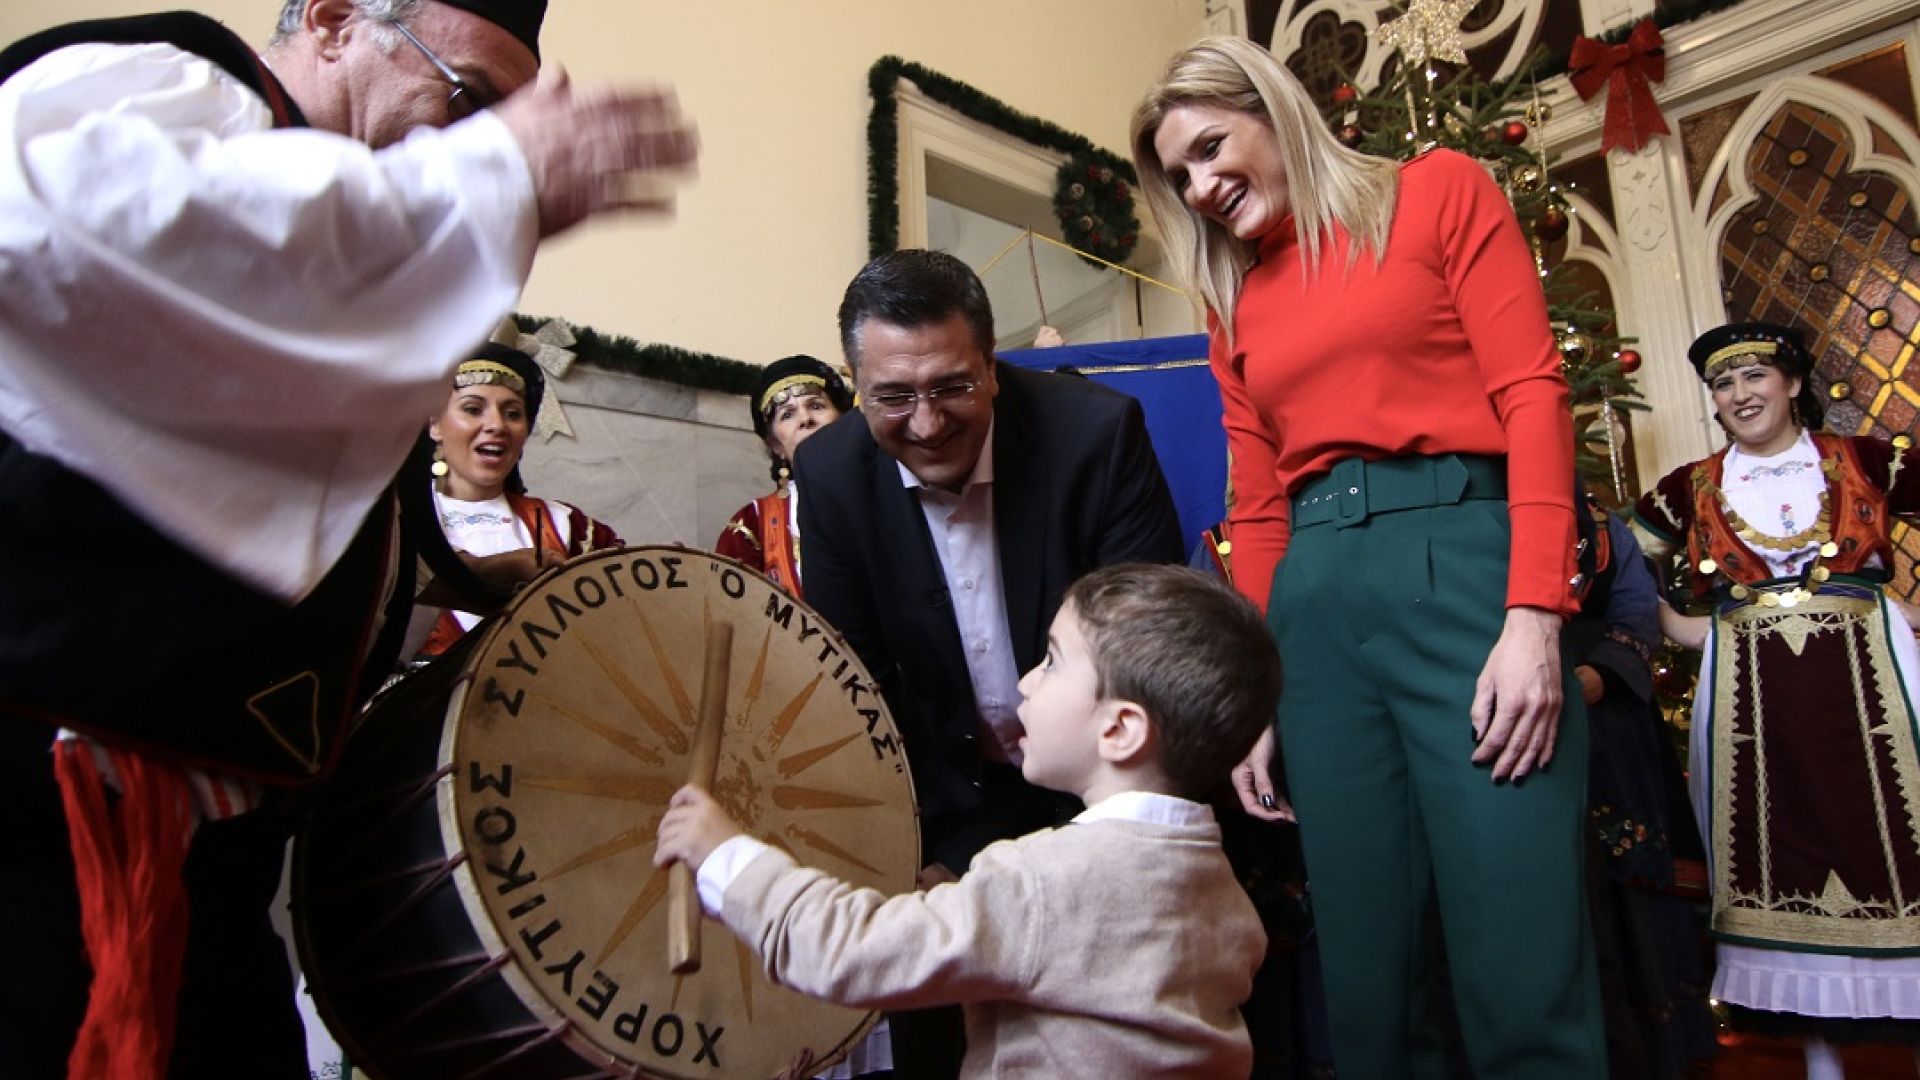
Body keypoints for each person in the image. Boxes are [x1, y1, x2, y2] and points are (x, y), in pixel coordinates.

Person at [0, 2, 696, 1075]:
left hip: (214, 862)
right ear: (333, 22)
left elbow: (239, 496)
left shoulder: (344, 248)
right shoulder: (173, 84)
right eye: (468, 99)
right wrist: (493, 172)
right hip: (54, 825)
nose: (474, 141)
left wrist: (455, 581)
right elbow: (60, 235)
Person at [1130, 36, 1604, 1080]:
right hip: (1313, 611)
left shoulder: (1436, 193)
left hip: (1464, 568)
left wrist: (1535, 615)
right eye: (1180, 177)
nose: (1201, 188)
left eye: (1210, 149)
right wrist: (1254, 695)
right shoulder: (1233, 300)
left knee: (1519, 953)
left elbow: (1532, 394)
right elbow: (1258, 507)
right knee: (1369, 976)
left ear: (1271, 110)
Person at [793, 249, 1183, 1076]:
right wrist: (922, 845)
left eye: (953, 387)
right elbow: (857, 684)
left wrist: (1085, 846)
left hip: (1100, 792)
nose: (926, 423)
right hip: (945, 806)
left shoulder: (1096, 435)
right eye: (893, 397)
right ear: (855, 385)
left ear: (992, 365)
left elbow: (1147, 660)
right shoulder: (828, 474)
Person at [654, 563, 1278, 1080]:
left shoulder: (1041, 882)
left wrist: (726, 856)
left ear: (1119, 730)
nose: (1026, 682)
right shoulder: (1221, 892)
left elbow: (852, 953)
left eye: (1052, 662)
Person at [1633, 322, 1920, 1079]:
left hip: (1877, 685)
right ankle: (1821, 1064)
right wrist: (1681, 628)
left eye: (1755, 376)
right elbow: (1621, 562)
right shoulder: (1687, 487)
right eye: (1724, 384)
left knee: (1901, 844)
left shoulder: (1867, 460)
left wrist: (1909, 614)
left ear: (1792, 384)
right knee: (1778, 852)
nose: (1740, 395)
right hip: (1751, 701)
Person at [415, 340, 622, 655]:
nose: (497, 425)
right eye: (473, 409)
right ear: (434, 425)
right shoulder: (401, 524)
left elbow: (623, 619)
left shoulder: (567, 527)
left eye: (512, 413)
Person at [714, 354, 855, 595]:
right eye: (787, 414)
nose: (806, 419)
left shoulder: (890, 494)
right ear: (776, 445)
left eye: (816, 406)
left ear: (844, 419)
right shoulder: (752, 525)